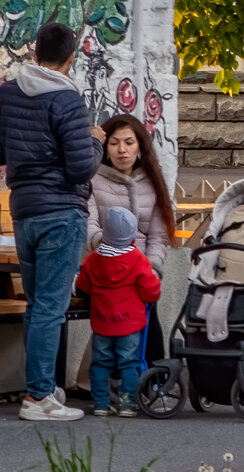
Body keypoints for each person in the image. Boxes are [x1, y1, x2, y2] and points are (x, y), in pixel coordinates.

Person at [0, 22, 104, 422]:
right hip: (61, 213)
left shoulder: (9, 91)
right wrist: (96, 141)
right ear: (71, 59)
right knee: (51, 307)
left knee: (37, 305)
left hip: (24, 211)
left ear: (35, 55)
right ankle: (37, 398)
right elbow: (81, 167)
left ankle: (42, 388)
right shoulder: (67, 100)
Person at [87, 114, 173, 361]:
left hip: (142, 268)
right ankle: (123, 377)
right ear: (105, 147)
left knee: (147, 299)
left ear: (140, 147)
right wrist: (116, 257)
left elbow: (158, 236)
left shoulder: (153, 181)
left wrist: (152, 268)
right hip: (104, 265)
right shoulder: (92, 179)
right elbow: (90, 227)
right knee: (125, 301)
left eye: (129, 142)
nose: (121, 150)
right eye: (114, 143)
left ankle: (151, 377)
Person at [75, 207, 162, 417]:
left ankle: (101, 404)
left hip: (102, 323)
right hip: (130, 324)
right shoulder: (137, 260)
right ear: (132, 235)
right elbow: (151, 290)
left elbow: (82, 286)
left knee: (100, 364)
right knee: (129, 363)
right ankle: (126, 403)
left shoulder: (94, 260)